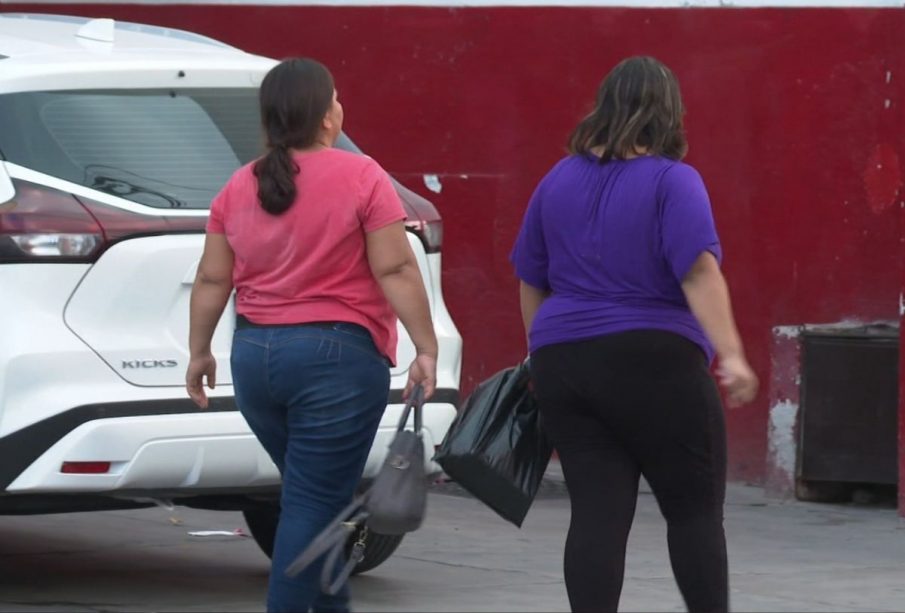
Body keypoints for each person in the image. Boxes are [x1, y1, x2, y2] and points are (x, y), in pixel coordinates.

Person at [184, 58, 438, 613]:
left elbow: (211, 277)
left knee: (312, 498)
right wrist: (425, 346)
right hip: (336, 360)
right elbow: (394, 269)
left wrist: (199, 351)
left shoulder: (237, 184)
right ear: (327, 117)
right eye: (337, 100)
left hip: (254, 358)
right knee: (313, 502)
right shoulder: (362, 174)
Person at [510, 56, 758, 613]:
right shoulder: (674, 180)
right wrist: (734, 354)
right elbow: (697, 270)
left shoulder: (557, 178)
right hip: (655, 360)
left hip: (563, 363)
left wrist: (538, 354)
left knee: (597, 513)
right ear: (669, 114)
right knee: (693, 511)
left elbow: (531, 278)